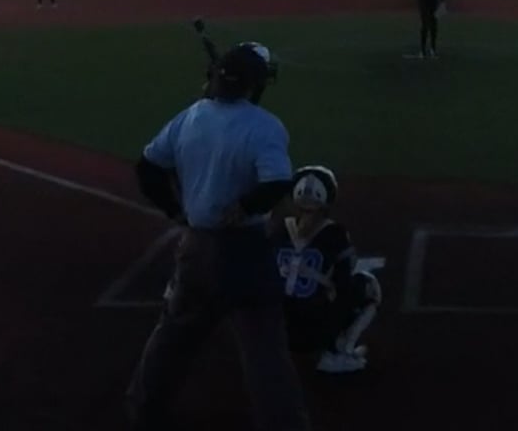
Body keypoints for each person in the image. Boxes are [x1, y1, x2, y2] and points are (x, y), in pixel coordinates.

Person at [126, 40, 309, 431]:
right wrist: (245, 206)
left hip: (195, 248)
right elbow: (277, 182)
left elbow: (148, 168)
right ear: (255, 84)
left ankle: (143, 411)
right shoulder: (265, 126)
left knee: (174, 333)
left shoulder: (190, 117)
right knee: (265, 349)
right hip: (246, 251)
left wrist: (174, 209)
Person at [275, 165, 381, 374]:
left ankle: (266, 351)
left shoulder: (277, 229)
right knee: (368, 286)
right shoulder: (335, 233)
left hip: (274, 329)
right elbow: (343, 283)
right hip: (312, 333)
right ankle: (336, 352)